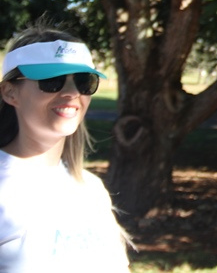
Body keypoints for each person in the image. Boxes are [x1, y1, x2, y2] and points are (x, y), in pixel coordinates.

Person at [0, 22, 131, 271]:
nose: (72, 93)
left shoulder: (91, 188)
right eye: (52, 80)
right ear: (10, 93)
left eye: (83, 82)